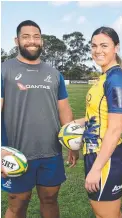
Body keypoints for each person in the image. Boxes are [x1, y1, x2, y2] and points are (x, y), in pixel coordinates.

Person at [1, 20, 78, 218]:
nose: (32, 41)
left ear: (41, 40)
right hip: (15, 152)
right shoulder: (4, 70)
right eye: (26, 37)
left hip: (50, 152)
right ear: (16, 40)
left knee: (50, 199)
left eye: (36, 37)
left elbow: (64, 109)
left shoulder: (54, 74)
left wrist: (72, 144)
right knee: (18, 204)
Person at [73, 26, 122, 218]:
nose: (98, 50)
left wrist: (96, 168)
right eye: (94, 46)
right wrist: (73, 125)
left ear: (116, 47)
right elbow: (97, 116)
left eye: (104, 45)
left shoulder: (116, 81)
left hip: (107, 158)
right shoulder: (105, 77)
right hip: (95, 154)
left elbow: (115, 130)